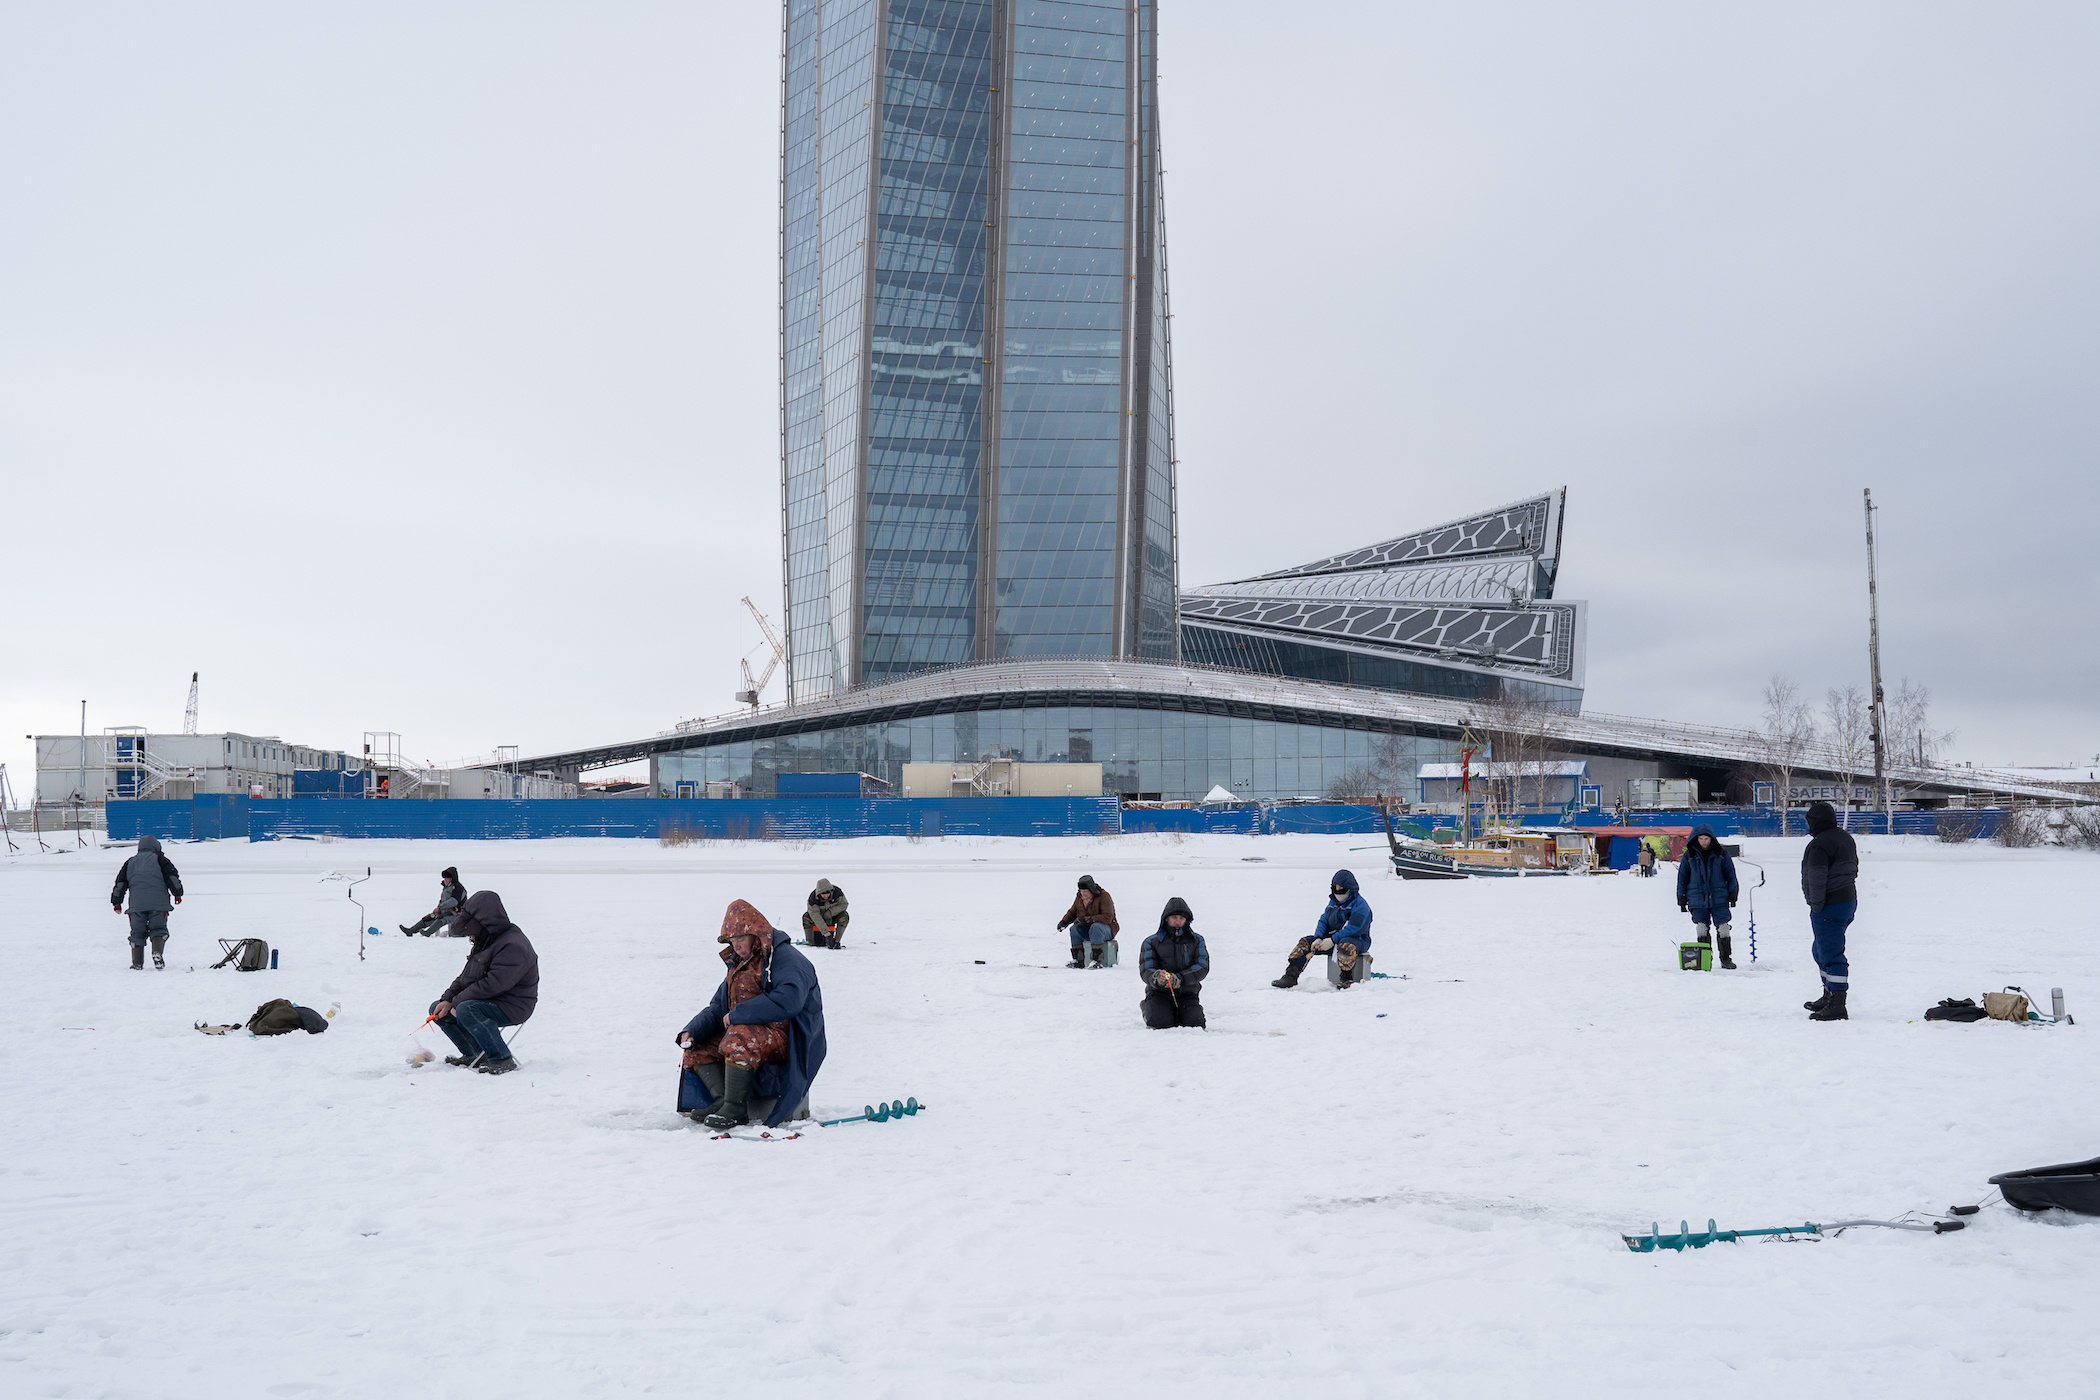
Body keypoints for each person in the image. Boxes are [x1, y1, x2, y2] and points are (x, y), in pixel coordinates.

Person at [677, 899, 828, 1130]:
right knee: (697, 1049)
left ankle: (736, 1110)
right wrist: (692, 1030)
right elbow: (719, 1006)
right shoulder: (740, 964)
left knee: (738, 1036)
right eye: (732, 940)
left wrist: (738, 1015)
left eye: (740, 938)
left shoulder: (786, 959)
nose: (735, 946)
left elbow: (789, 1000)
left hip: (783, 1037)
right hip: (748, 1034)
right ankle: (722, 1102)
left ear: (756, 934)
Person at [429, 891, 539, 1074]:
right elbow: (466, 978)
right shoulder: (485, 941)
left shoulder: (513, 945)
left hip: (514, 1004)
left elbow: (494, 984)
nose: (470, 938)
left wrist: (457, 1002)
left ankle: (502, 1058)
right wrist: (447, 999)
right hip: (489, 1000)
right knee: (438, 1009)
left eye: (471, 934)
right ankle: (475, 1054)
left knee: (467, 1009)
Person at [1801, 800, 1860, 1021]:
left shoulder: (1819, 844)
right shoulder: (1845, 838)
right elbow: (1853, 868)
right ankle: (1829, 993)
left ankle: (1837, 1003)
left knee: (1830, 952)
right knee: (1820, 949)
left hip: (1828, 904)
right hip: (1847, 901)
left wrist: (1816, 906)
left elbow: (1816, 879)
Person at [1273, 868, 1373, 989]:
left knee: (1345, 945)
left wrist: (1332, 940)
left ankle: (1346, 978)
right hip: (1331, 941)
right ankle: (1290, 976)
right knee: (1305, 942)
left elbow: (1355, 928)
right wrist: (1318, 938)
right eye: (1336, 887)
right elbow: (1324, 920)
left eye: (1341, 887)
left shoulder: (1360, 905)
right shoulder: (1333, 902)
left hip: (1357, 941)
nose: (1338, 890)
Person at [111, 834, 183, 970]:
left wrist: (116, 902)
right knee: (159, 929)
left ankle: (137, 963)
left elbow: (120, 883)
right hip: (159, 904)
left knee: (137, 932)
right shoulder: (161, 860)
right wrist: (177, 894)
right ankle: (157, 952)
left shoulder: (130, 862)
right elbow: (172, 877)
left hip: (136, 906)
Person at [1675, 824, 1740, 968]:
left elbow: (1731, 875)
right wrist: (1681, 897)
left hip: (1719, 898)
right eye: (1701, 838)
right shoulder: (1689, 855)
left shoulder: (1722, 854)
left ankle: (1726, 958)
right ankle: (1705, 959)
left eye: (1706, 838)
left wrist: (1733, 893)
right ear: (1696, 839)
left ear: (1711, 839)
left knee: (1723, 927)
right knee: (1701, 928)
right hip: (1697, 899)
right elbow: (1682, 878)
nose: (1704, 841)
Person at [1139, 896, 1209, 1029]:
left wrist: (1180, 979)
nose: (1178, 921)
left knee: (1195, 1024)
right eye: (1174, 918)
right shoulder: (1151, 942)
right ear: (1166, 918)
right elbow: (1146, 968)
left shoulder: (1197, 940)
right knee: (1160, 1023)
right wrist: (1157, 977)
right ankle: (1148, 1006)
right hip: (1159, 993)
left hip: (1187, 993)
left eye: (1181, 918)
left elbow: (1202, 966)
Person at [1057, 875, 1119, 969]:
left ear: (1091, 890)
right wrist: (1064, 922)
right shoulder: (1079, 897)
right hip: (1088, 930)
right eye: (1081, 891)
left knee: (1096, 927)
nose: (1083, 893)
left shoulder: (1104, 896)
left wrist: (1088, 919)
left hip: (1106, 930)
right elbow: (1073, 911)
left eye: (1085, 891)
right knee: (1074, 929)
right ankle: (1078, 960)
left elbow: (1108, 917)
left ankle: (1097, 961)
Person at [401, 866, 468, 937]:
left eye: (447, 879)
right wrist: (438, 909)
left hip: (457, 913)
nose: (445, 880)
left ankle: (428, 933)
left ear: (451, 879)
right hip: (446, 911)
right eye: (444, 878)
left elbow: (453, 901)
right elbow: (442, 900)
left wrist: (439, 908)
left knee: (441, 918)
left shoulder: (458, 888)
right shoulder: (446, 888)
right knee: (430, 917)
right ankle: (411, 931)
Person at [801, 878, 850, 949]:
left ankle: (837, 942)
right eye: (823, 894)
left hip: (833, 916)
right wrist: (826, 933)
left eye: (827, 894)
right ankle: (810, 942)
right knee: (806, 917)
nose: (826, 896)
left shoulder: (838, 893)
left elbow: (844, 904)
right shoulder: (812, 898)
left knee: (844, 917)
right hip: (819, 918)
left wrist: (830, 912)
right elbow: (815, 916)